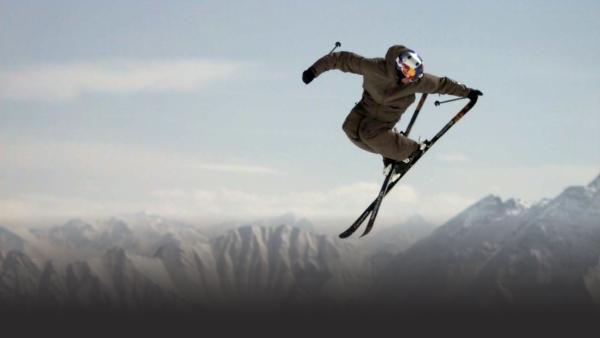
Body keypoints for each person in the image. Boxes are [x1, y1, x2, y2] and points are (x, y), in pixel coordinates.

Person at [302, 45, 482, 168]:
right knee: (349, 128)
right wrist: (313, 71)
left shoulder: (416, 81)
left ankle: (411, 150)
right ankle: (392, 153)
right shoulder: (372, 67)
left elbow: (442, 84)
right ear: (398, 67)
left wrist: (468, 92)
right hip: (366, 106)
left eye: (416, 75)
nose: (412, 79)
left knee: (369, 133)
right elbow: (341, 59)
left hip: (386, 117)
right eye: (409, 74)